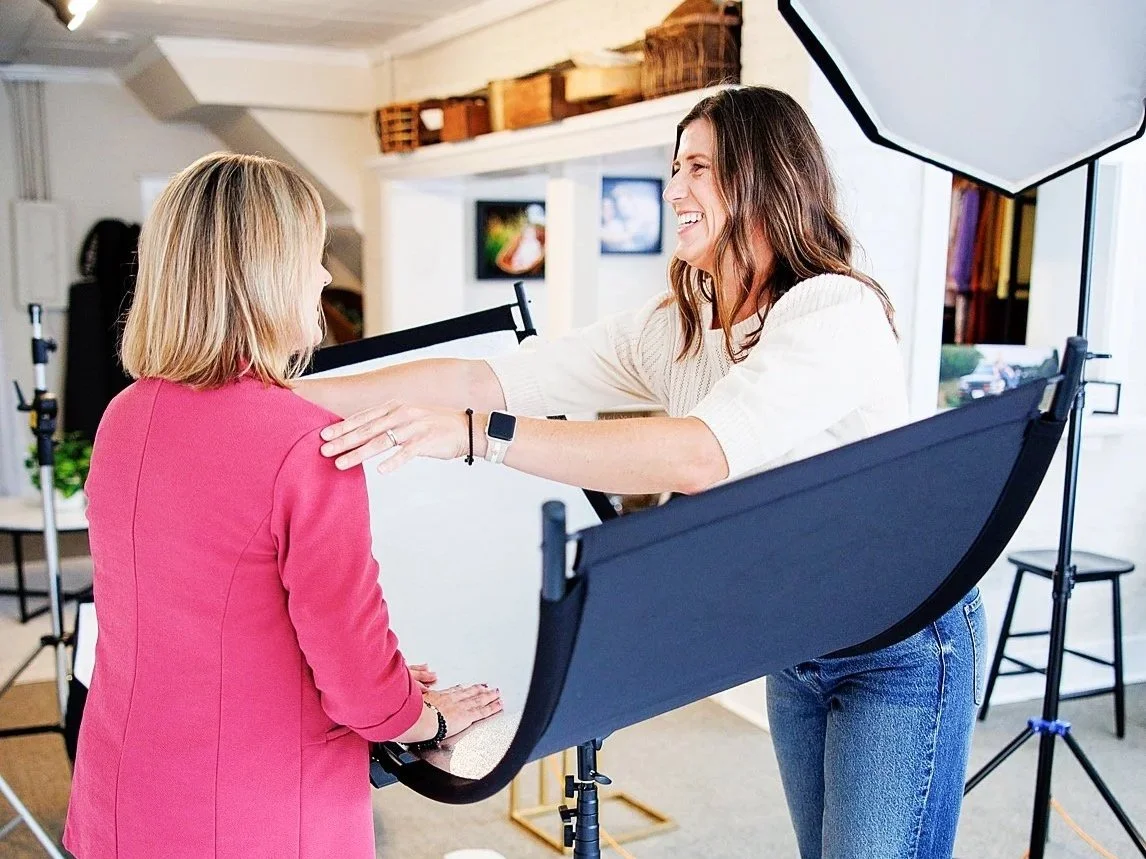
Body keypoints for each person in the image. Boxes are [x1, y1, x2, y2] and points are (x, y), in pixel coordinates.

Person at [296, 86, 986, 859]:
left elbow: (700, 453)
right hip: (801, 635)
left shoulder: (833, 313)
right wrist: (280, 398)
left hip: (900, 638)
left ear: (762, 177)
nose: (674, 188)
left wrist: (477, 438)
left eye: (699, 166)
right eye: (674, 165)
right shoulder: (682, 327)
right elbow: (485, 380)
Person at [63, 153, 502, 859]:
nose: (325, 276)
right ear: (264, 274)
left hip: (124, 795)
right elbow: (359, 688)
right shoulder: (303, 443)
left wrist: (387, 681)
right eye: (311, 256)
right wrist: (423, 717)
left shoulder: (124, 417)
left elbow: (209, 626)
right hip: (254, 814)